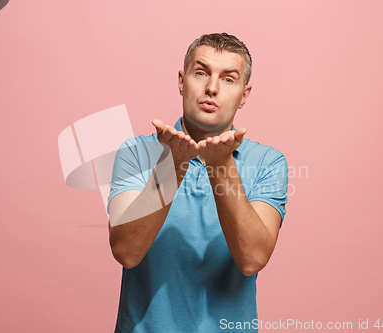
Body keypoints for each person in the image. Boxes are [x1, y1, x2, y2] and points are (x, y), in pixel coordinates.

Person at [107, 33, 288, 332]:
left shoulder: (269, 163)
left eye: (229, 79)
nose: (212, 88)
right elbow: (127, 251)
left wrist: (220, 164)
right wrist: (174, 165)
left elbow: (252, 258)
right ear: (181, 80)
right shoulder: (136, 153)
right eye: (201, 73)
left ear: (244, 94)